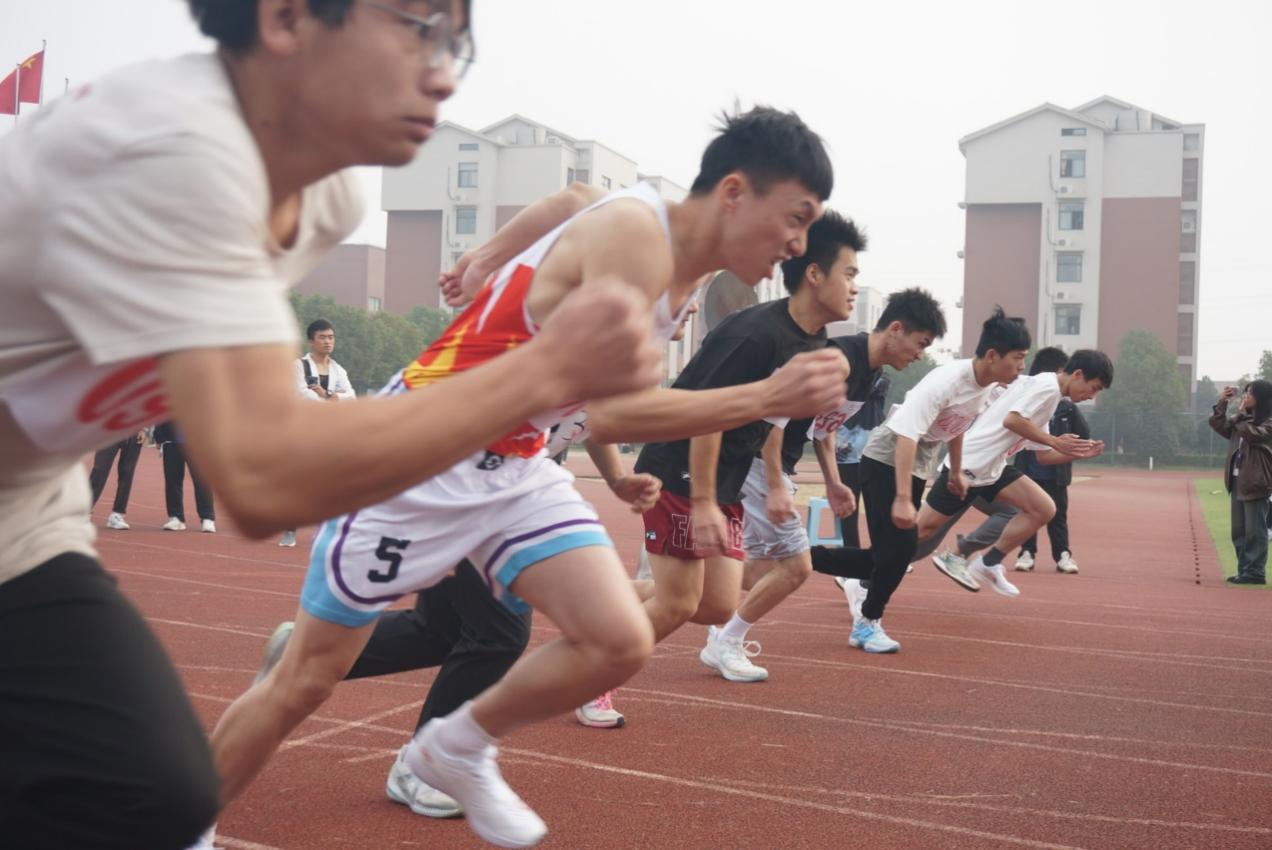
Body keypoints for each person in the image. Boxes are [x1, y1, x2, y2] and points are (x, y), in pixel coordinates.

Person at [0, 1, 666, 847]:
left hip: (26, 513)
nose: (444, 74)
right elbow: (261, 480)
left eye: (457, 43)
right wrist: (545, 369)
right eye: (420, 29)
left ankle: (443, 747)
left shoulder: (325, 194)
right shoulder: (174, 157)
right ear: (285, 19)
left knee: (158, 797)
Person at [203, 105, 845, 850]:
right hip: (424, 451)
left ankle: (451, 746)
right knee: (305, 681)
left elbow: (572, 198)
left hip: (512, 464)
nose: (798, 245)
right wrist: (766, 397)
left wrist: (487, 257)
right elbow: (613, 413)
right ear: (733, 191)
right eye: (796, 218)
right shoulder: (638, 240)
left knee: (616, 639)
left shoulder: (666, 253)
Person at [630, 209, 860, 689]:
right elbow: (706, 415)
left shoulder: (812, 341)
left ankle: (606, 600)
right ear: (814, 275)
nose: (855, 288)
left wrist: (773, 485)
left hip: (728, 480)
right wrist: (702, 502)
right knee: (678, 603)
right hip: (679, 468)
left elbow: (771, 418)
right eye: (850, 274)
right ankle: (593, 677)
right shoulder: (753, 334)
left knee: (715, 604)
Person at [712, 285, 948, 682]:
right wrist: (775, 486)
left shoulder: (868, 376)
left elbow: (823, 429)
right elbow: (772, 421)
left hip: (768, 465)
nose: (920, 354)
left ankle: (684, 599)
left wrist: (834, 482)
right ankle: (725, 640)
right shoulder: (837, 361)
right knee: (795, 566)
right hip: (755, 459)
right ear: (895, 329)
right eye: (921, 343)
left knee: (760, 571)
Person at [808, 309, 1033, 652]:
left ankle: (803, 560)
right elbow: (906, 436)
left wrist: (956, 470)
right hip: (887, 458)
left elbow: (959, 423)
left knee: (893, 554)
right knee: (896, 554)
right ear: (992, 355)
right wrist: (902, 498)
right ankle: (866, 621)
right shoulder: (946, 381)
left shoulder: (984, 385)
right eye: (1017, 358)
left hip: (916, 464)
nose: (1021, 366)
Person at [919, 349, 1110, 596]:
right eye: (1094, 388)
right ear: (1078, 374)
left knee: (1044, 508)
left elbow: (1043, 455)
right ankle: (871, 568)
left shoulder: (1050, 394)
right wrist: (1054, 440)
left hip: (992, 469)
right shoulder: (1047, 387)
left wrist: (1078, 453)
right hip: (970, 466)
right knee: (921, 533)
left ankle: (988, 563)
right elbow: (1012, 420)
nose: (1092, 396)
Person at [1012, 348, 1091, 573]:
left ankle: (1063, 555)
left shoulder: (1067, 407)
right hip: (1027, 471)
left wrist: (1079, 448)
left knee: (1057, 515)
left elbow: (1084, 435)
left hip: (1056, 473)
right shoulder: (1028, 399)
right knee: (1028, 512)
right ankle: (1027, 552)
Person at [279, 318, 357, 547]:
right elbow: (301, 394)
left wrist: (329, 395)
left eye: (331, 337)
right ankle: (289, 530)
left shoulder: (338, 369)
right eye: (322, 337)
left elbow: (351, 396)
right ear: (311, 341)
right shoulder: (298, 366)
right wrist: (329, 399)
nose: (327, 342)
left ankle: (329, 532)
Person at [1209, 380, 1272, 584]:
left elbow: (1253, 435)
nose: (1245, 396)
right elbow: (1218, 424)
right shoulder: (1242, 420)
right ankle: (1245, 570)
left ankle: (1255, 572)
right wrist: (1222, 402)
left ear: (1261, 397)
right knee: (1239, 530)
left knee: (1255, 530)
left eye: (1250, 393)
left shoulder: (1268, 422)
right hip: (1238, 480)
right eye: (1245, 393)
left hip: (1257, 481)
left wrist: (1241, 414)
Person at [834, 371, 891, 547]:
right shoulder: (846, 373)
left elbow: (868, 390)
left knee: (878, 507)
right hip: (845, 447)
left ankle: (881, 552)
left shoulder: (882, 376)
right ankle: (851, 552)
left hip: (874, 449)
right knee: (849, 507)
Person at [155, 420, 217, 533]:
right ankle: (176, 517)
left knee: (202, 480)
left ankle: (207, 517)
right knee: (172, 480)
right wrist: (158, 436)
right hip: (171, 440)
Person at [89, 429, 148, 530]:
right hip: (108, 432)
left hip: (133, 433)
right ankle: (84, 510)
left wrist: (144, 429)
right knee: (99, 470)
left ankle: (117, 514)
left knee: (127, 473)